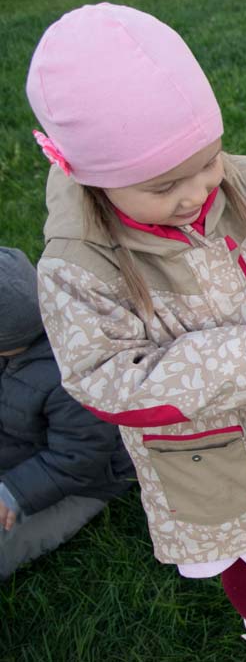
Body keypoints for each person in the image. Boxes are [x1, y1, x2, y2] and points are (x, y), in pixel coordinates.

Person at [26, 4, 246, 662]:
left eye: (207, 160)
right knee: (243, 539)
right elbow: (102, 377)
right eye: (166, 183)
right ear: (95, 177)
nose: (199, 190)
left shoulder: (236, 181)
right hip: (204, 453)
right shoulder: (80, 264)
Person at [0, 247, 135, 580]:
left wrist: (13, 491)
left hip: (79, 482)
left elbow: (81, 456)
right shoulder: (11, 347)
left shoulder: (71, 376)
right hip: (18, 444)